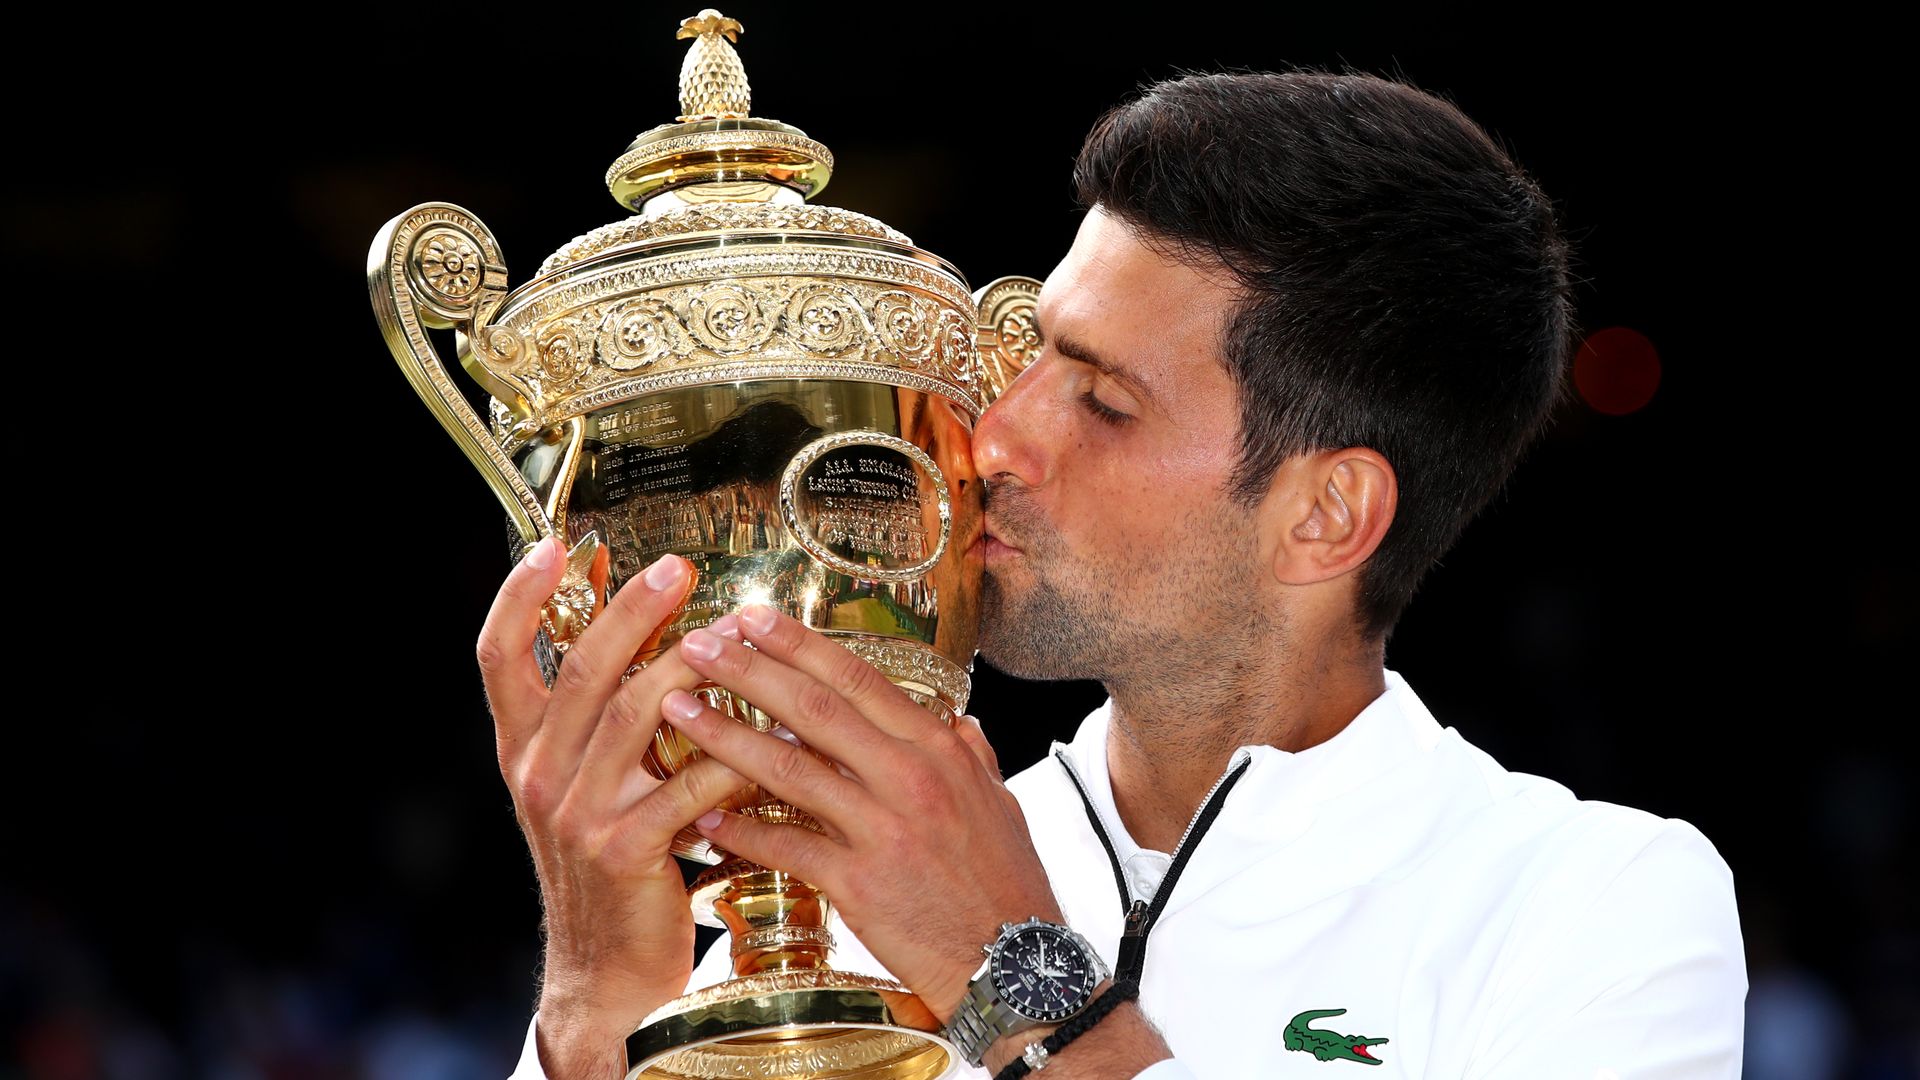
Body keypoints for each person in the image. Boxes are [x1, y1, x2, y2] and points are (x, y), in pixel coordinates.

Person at [480, 69, 1746, 1079]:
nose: (998, 435)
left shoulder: (1592, 905)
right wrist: (596, 1011)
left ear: (1325, 514)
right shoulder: (844, 878)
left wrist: (1016, 983)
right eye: (1028, 355)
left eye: (1104, 401)